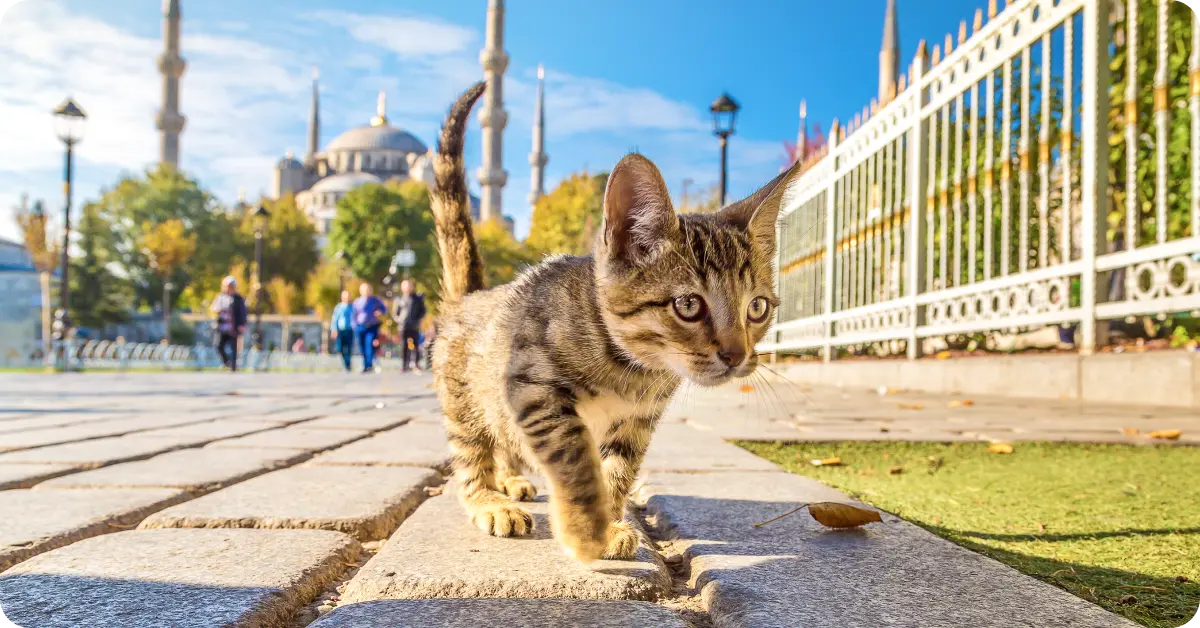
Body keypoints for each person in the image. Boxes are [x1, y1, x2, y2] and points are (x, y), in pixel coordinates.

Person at [210, 276, 247, 372]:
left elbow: (242, 313)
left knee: (233, 347)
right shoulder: (220, 297)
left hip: (233, 327)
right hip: (222, 327)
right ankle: (227, 362)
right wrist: (219, 311)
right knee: (218, 346)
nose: (229, 288)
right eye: (227, 286)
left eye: (231, 286)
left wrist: (241, 325)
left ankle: (233, 367)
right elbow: (214, 308)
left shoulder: (238, 299)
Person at [390, 278, 427, 372]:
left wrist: (418, 319)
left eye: (409, 285)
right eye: (405, 285)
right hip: (403, 326)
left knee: (416, 345)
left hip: (414, 326)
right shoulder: (399, 299)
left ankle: (416, 363)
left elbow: (423, 311)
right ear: (402, 287)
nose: (407, 287)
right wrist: (399, 320)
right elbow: (395, 313)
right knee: (404, 346)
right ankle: (404, 365)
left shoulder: (417, 299)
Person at [351, 283, 387, 373]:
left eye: (368, 290)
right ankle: (364, 364)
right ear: (361, 291)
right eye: (364, 290)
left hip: (372, 326)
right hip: (360, 327)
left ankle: (369, 365)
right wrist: (354, 326)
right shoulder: (357, 302)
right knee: (362, 346)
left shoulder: (375, 300)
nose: (366, 292)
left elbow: (384, 309)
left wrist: (380, 312)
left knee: (369, 345)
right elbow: (353, 315)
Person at [329, 290, 355, 372]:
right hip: (340, 330)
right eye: (345, 297)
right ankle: (346, 363)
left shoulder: (353, 307)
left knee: (348, 348)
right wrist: (334, 329)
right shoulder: (339, 307)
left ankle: (348, 365)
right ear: (342, 298)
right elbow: (334, 319)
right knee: (340, 348)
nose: (347, 298)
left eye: (348, 297)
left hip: (350, 330)